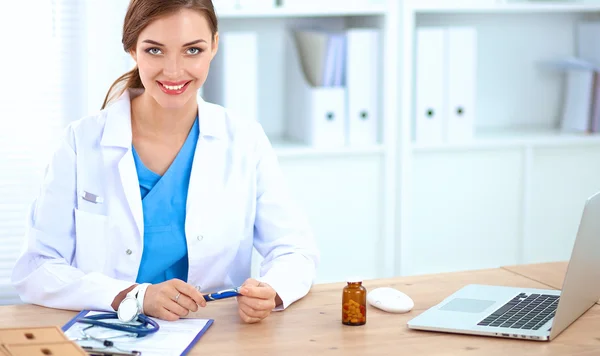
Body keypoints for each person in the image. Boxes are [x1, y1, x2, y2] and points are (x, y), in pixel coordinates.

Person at [11, 0, 319, 324]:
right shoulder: (80, 143)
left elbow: (294, 250)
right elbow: (37, 267)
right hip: (109, 334)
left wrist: (271, 289)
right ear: (132, 48)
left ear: (214, 45)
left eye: (193, 50)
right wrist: (134, 296)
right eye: (155, 50)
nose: (173, 71)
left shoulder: (244, 141)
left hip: (216, 334)